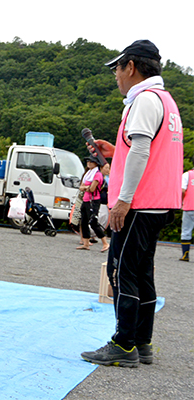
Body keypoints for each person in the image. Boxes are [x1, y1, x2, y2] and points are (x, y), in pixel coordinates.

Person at [81, 40, 183, 367]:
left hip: (138, 204)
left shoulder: (143, 100)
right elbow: (142, 148)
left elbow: (141, 151)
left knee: (121, 270)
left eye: (117, 68)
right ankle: (142, 341)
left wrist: (122, 201)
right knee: (142, 272)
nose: (116, 76)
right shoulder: (166, 101)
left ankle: (123, 344)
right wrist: (115, 151)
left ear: (132, 67)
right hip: (159, 203)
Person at [76, 156, 106, 251]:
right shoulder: (88, 174)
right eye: (87, 161)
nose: (88, 163)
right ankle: (86, 243)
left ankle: (105, 243)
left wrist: (86, 187)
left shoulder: (97, 174)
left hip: (93, 200)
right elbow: (81, 186)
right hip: (86, 200)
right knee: (84, 221)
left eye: (91, 162)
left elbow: (92, 189)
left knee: (93, 221)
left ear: (96, 163)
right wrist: (86, 187)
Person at [179, 158, 194, 261]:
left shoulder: (187, 175)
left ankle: (185, 254)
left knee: (186, 230)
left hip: (189, 206)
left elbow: (182, 190)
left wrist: (181, 201)